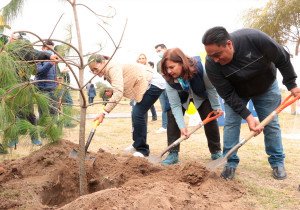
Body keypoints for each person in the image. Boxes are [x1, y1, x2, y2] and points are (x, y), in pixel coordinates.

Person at [202, 26, 300, 180]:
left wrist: (292, 84)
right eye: (211, 56)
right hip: (237, 93)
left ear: (229, 44)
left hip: (266, 86)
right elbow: (227, 93)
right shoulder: (211, 64)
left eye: (217, 54)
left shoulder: (254, 38)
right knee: (231, 124)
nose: (215, 59)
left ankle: (277, 162)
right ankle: (230, 163)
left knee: (271, 124)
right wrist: (247, 116)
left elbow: (282, 58)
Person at [88, 54, 165, 157]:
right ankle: (137, 144)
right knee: (136, 113)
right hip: (142, 85)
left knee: (138, 113)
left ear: (102, 62)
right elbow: (119, 86)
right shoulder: (108, 69)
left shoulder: (112, 67)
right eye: (92, 70)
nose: (95, 72)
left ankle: (143, 150)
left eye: (95, 69)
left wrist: (104, 112)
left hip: (153, 83)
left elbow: (118, 93)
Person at [160, 48, 223, 165]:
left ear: (182, 63)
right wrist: (182, 126)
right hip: (182, 98)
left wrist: (216, 107)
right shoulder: (169, 79)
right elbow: (174, 105)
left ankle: (216, 151)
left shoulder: (200, 69)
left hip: (200, 94)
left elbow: (210, 88)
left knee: (210, 117)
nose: (169, 71)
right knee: (172, 115)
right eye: (167, 68)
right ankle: (173, 153)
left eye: (172, 67)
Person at [36, 40, 58, 117]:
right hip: (42, 90)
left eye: (52, 50)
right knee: (43, 113)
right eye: (48, 50)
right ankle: (43, 128)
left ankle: (54, 128)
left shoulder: (54, 58)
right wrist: (50, 63)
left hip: (53, 90)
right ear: (43, 48)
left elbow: (54, 74)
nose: (50, 52)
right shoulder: (39, 58)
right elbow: (39, 72)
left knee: (54, 113)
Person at [137, 53, 158, 121]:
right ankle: (135, 127)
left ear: (146, 60)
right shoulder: (136, 67)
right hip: (137, 90)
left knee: (144, 109)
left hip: (146, 90)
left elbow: (150, 79)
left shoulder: (149, 68)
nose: (141, 60)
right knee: (135, 109)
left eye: (143, 58)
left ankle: (144, 128)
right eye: (140, 58)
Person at [155, 44, 170, 133]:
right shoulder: (158, 63)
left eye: (159, 50)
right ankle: (164, 126)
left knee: (172, 106)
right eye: (157, 51)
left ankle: (174, 125)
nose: (158, 53)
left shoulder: (172, 59)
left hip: (171, 86)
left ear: (165, 49)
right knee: (164, 107)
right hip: (161, 87)